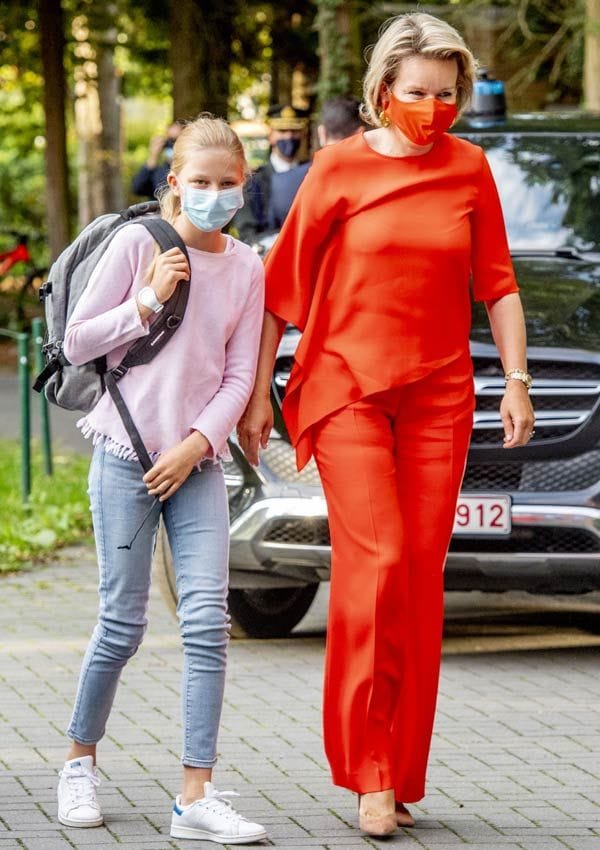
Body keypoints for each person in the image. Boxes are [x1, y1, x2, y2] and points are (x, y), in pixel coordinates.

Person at [237, 11, 535, 838]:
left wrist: (516, 381)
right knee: (379, 562)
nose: (433, 108)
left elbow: (499, 282)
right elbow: (279, 293)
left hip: (440, 393)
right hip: (347, 391)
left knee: (419, 583)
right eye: (417, 92)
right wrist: (261, 394)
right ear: (380, 91)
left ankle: (401, 772)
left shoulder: (470, 169)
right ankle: (367, 775)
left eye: (447, 94)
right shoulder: (333, 171)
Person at [57, 115, 268, 845]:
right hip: (123, 456)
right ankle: (79, 762)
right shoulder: (138, 243)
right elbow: (77, 341)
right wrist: (147, 298)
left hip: (197, 463)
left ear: (245, 187)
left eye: (227, 185)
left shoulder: (247, 267)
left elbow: (242, 371)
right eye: (200, 183)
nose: (214, 195)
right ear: (173, 184)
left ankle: (195, 797)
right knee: (122, 625)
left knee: (209, 624)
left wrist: (198, 443)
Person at [232, 104, 310, 244]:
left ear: (303, 134)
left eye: (294, 130)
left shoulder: (311, 175)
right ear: (271, 135)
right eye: (282, 131)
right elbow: (247, 232)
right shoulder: (254, 182)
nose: (289, 136)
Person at [131, 120, 184, 199]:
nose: (172, 145)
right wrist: (153, 157)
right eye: (170, 140)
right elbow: (137, 188)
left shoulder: (190, 169)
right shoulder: (157, 171)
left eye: (176, 140)